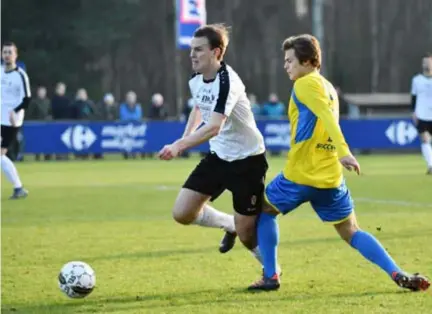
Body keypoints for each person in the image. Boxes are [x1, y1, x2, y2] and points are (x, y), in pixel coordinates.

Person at [247, 34, 430, 292]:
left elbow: (324, 117)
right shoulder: (328, 87)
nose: (285, 66)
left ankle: (271, 275)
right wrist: (339, 153)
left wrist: (344, 151)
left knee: (264, 211)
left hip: (299, 175)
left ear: (308, 61)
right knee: (352, 232)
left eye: (290, 61)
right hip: (330, 178)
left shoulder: (304, 84)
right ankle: (396, 271)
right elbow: (327, 119)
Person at [158, 24, 274, 270]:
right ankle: (228, 223)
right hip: (219, 157)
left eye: (199, 50)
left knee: (247, 236)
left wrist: (179, 145)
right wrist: (185, 135)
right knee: (182, 213)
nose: (192, 55)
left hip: (247, 161)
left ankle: (271, 270)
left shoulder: (228, 82)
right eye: (191, 50)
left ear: (216, 52)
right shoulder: (196, 79)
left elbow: (214, 127)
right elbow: (199, 107)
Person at [1, 42, 31, 199]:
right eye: (4, 52)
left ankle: (18, 187)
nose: (7, 55)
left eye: (9, 52)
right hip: (0, 116)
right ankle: (18, 188)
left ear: (15, 55)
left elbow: (27, 100)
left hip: (12, 120)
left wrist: (15, 111)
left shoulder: (20, 75)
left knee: (0, 154)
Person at [411, 53, 432, 174]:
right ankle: (431, 165)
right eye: (425, 62)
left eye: (429, 62)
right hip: (422, 114)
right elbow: (413, 97)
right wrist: (413, 111)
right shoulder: (416, 80)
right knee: (425, 139)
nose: (427, 64)